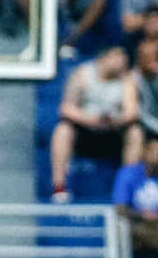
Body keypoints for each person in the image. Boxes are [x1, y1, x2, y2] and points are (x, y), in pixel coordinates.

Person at [49, 46, 144, 203]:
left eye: (124, 59)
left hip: (113, 129)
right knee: (63, 129)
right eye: (117, 57)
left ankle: (127, 191)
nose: (122, 62)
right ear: (103, 58)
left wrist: (113, 121)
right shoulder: (82, 73)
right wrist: (93, 119)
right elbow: (66, 109)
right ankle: (59, 187)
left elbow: (131, 113)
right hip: (85, 129)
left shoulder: (127, 79)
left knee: (135, 132)